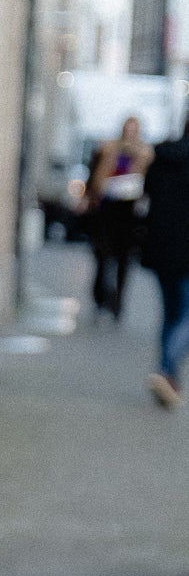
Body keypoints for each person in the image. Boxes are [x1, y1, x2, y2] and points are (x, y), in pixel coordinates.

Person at [84, 115, 153, 320]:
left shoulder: (144, 154)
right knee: (103, 255)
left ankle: (117, 302)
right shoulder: (108, 149)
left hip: (129, 210)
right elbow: (95, 176)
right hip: (108, 207)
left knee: (124, 259)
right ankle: (100, 297)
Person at [141, 120, 189, 410]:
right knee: (183, 315)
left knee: (171, 314)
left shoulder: (162, 156)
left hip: (161, 249)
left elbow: (146, 195)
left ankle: (169, 378)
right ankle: (165, 369)